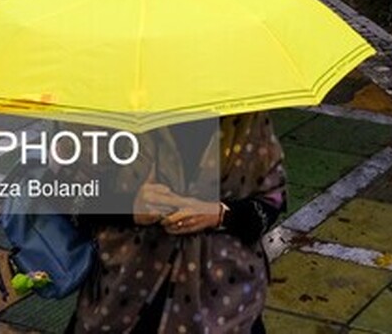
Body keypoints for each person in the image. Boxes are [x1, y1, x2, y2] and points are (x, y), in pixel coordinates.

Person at [69, 113, 286, 333]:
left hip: (224, 300)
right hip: (124, 292)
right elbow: (67, 196)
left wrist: (219, 214)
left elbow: (272, 201)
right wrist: (129, 206)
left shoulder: (247, 118)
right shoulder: (112, 111)